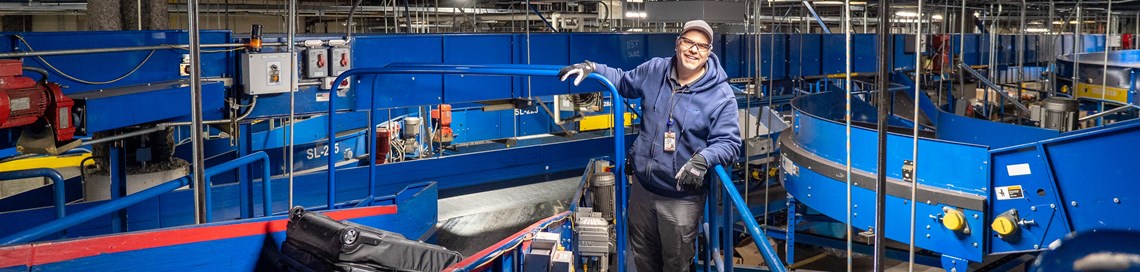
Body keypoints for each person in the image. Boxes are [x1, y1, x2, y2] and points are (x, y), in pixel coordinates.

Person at [558, 20, 741, 271]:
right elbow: (623, 81)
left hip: (681, 198)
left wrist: (704, 158)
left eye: (701, 45)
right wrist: (593, 67)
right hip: (643, 189)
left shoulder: (721, 95)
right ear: (678, 43)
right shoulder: (655, 69)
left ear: (709, 51)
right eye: (688, 42)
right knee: (642, 254)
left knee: (676, 261)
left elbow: (729, 143)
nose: (693, 50)